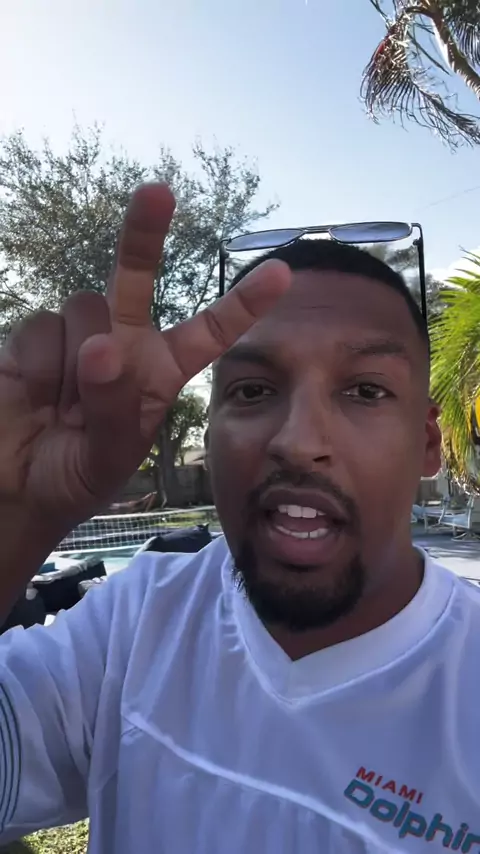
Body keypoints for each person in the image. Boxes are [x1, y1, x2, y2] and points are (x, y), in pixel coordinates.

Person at [0, 182, 479, 854]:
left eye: (366, 390)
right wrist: (15, 516)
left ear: (427, 442)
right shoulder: (135, 625)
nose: (298, 440)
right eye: (253, 390)